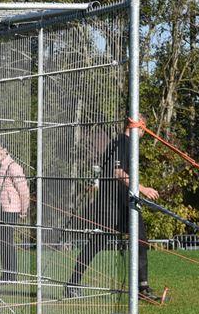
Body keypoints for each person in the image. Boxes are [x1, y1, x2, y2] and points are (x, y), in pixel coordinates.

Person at [65, 118, 159, 301]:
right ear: (136, 126)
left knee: (140, 241)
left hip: (127, 203)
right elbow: (117, 172)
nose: (144, 133)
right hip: (111, 205)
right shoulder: (121, 142)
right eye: (143, 128)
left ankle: (142, 287)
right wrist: (142, 189)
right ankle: (72, 284)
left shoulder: (128, 144)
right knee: (97, 244)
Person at [0, 141, 31, 282]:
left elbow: (24, 191)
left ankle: (11, 274)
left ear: (6, 150)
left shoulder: (14, 167)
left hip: (11, 210)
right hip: (0, 209)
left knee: (7, 241)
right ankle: (6, 272)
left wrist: (23, 211)